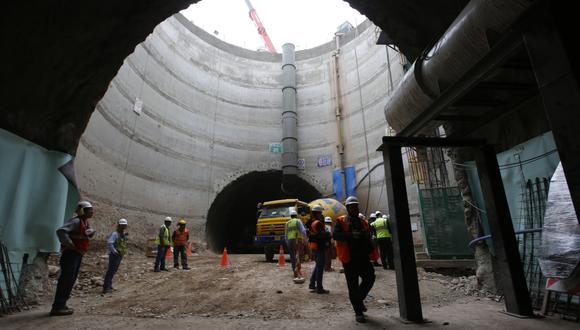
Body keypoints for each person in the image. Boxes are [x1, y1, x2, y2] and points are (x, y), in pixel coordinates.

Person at [333, 196, 377, 323]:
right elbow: (335, 235)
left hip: (363, 257)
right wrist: (351, 235)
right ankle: (358, 312)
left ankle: (359, 300)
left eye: (355, 206)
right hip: (349, 259)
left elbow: (368, 236)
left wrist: (371, 243)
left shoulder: (363, 222)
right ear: (347, 208)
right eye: (351, 206)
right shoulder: (341, 221)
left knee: (370, 278)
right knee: (352, 286)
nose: (354, 208)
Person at [50, 201, 96, 316]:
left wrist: (89, 234)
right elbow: (61, 231)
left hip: (77, 254)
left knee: (71, 279)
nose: (92, 212)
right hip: (71, 254)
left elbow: (82, 235)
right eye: (90, 210)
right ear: (83, 211)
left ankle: (62, 304)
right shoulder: (75, 221)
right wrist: (70, 244)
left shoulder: (85, 222)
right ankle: (58, 306)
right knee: (66, 279)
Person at [308, 205, 330, 294]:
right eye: (321, 213)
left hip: (314, 246)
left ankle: (312, 284)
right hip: (319, 246)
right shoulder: (318, 223)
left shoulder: (311, 222)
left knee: (318, 265)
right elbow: (321, 236)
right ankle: (319, 288)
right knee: (320, 267)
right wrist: (328, 234)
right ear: (317, 213)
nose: (321, 214)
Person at [103, 218, 128, 294]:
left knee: (114, 270)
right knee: (111, 270)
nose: (124, 227)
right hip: (115, 255)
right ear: (119, 225)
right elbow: (110, 243)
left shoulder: (122, 234)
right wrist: (114, 251)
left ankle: (109, 286)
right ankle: (106, 287)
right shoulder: (115, 234)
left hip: (119, 254)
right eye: (122, 225)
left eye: (125, 225)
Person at [285, 210, 307, 280]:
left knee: (292, 256)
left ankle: (294, 270)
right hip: (297, 240)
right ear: (296, 215)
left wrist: (287, 242)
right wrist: (305, 239)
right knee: (298, 255)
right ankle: (298, 271)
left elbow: (285, 234)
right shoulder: (298, 221)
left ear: (290, 216)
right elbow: (303, 230)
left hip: (290, 241)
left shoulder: (287, 223)